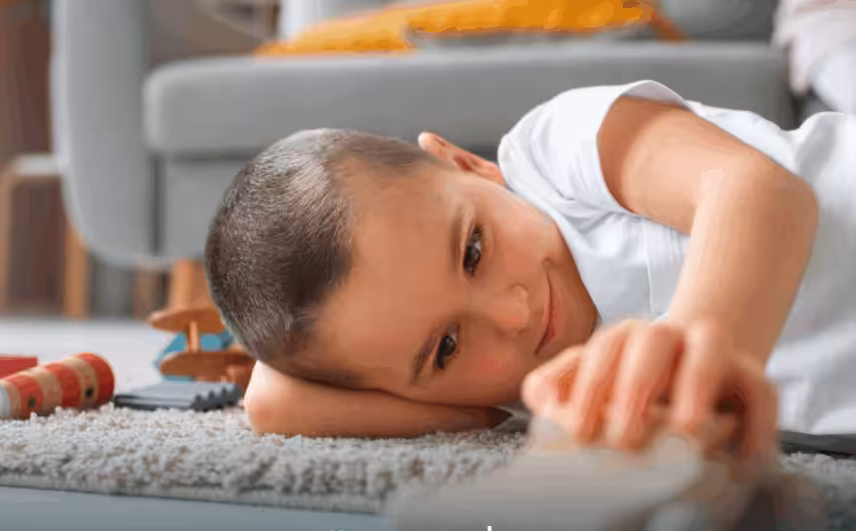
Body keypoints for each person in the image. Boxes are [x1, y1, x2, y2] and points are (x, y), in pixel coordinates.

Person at [205, 78, 856, 461]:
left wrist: (693, 345)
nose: (513, 314)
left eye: (473, 252)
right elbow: (272, 400)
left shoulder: (555, 153)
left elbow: (757, 191)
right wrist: (476, 405)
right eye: (447, 348)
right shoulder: (536, 384)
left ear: (466, 165)